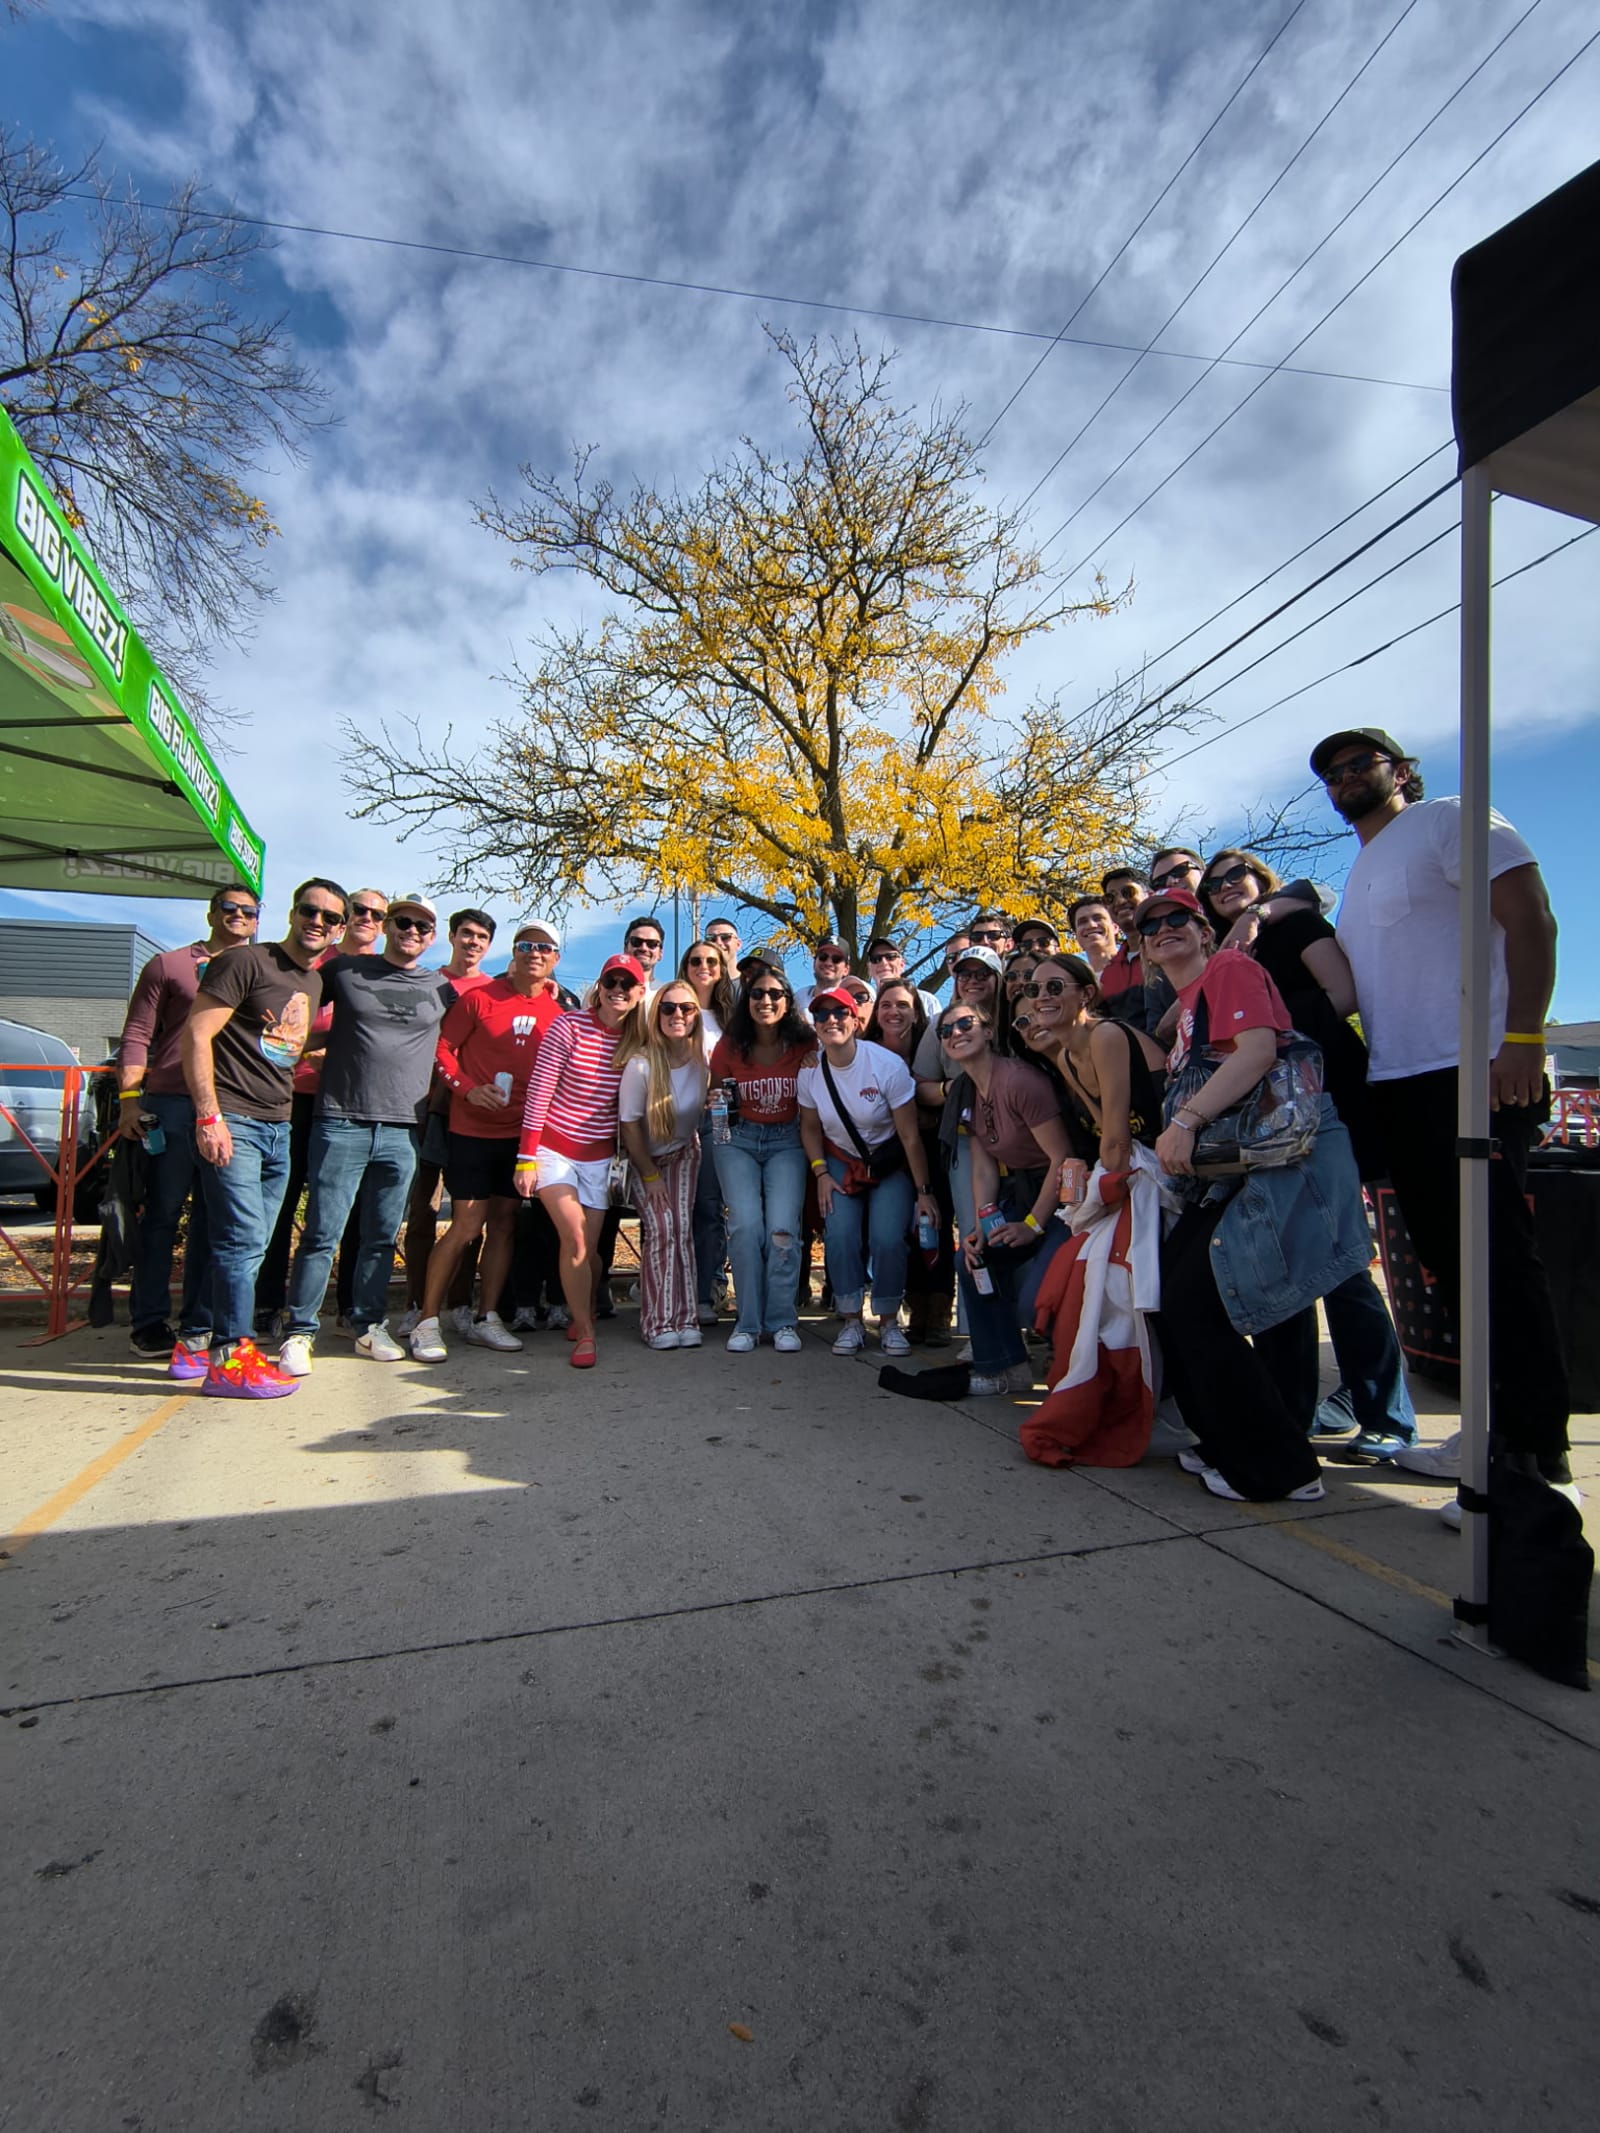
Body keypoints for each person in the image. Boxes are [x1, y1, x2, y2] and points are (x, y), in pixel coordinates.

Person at [1311, 726, 1574, 1509]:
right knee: (1452, 1268)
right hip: (1399, 1082)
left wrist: (1522, 1038)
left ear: (1401, 770)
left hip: (1474, 1069)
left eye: (1359, 762)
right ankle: (1487, 1433)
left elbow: (1531, 917)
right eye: (1332, 772)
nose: (1345, 776)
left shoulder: (1451, 818)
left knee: (1498, 1263)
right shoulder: (1360, 870)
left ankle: (1536, 1462)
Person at [1144, 886, 1371, 1503]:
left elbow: (1259, 1052)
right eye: (1151, 925)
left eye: (1179, 917)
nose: (1164, 928)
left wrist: (1184, 1121)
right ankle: (1228, 1440)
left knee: (1194, 1301)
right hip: (1231, 1170)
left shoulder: (1230, 968)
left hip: (1280, 1161)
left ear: (1204, 931)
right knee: (1175, 1294)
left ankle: (1282, 1468)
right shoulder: (1189, 1004)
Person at [1198, 846, 1417, 1461]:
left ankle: (1386, 1415)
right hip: (1258, 1118)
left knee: (1342, 1262)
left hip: (1322, 1102)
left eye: (1235, 875)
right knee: (1280, 1263)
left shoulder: (1292, 925)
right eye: (1213, 883)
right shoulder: (1223, 956)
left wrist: (1259, 1023)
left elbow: (1344, 995)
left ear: (1259, 879)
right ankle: (1290, 1413)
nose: (1224, 886)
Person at [277, 895, 456, 1373]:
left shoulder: (441, 989)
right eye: (403, 921)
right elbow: (293, 1010)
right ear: (388, 926)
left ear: (432, 937)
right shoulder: (345, 971)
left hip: (403, 1129)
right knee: (322, 1233)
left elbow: (463, 1043)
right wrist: (296, 1046)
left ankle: (368, 1325)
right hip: (341, 1120)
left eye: (422, 926)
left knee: (380, 1237)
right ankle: (300, 1332)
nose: (412, 931)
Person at [182, 877, 345, 1398]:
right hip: (234, 1119)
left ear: (338, 930)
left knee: (248, 1243)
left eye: (330, 918)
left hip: (278, 1123)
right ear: (292, 914)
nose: (317, 922)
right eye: (309, 910)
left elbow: (282, 1040)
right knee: (241, 1239)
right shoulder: (245, 962)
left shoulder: (312, 982)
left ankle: (197, 1341)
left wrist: (349, 1032)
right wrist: (209, 1116)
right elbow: (197, 1034)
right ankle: (231, 1357)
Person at [117, 880, 260, 1367]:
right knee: (162, 1216)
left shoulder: (259, 968)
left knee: (215, 1222)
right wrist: (130, 1100)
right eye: (229, 907)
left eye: (249, 910)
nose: (239, 915)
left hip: (233, 1108)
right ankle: (149, 1321)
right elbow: (138, 1033)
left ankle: (199, 1324)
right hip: (174, 1106)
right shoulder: (170, 965)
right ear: (211, 913)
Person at [409, 920, 565, 1361]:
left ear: (555, 959)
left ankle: (486, 1317)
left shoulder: (558, 1014)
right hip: (472, 1131)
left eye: (544, 948)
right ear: (513, 953)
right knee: (465, 1225)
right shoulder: (479, 998)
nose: (534, 953)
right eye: (526, 945)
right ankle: (426, 1321)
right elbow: (441, 1050)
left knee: (503, 1225)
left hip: (521, 1137)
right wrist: (467, 1089)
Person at [254, 885, 386, 1336]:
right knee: (280, 1203)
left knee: (353, 1213)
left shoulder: (383, 972)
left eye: (378, 914)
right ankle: (267, 1304)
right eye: (359, 910)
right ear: (344, 920)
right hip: (296, 1097)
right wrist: (320, 1048)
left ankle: (350, 1307)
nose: (368, 918)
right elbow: (280, 1030)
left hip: (353, 1104)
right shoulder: (316, 965)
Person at [515, 953, 648, 1368]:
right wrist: (525, 1157)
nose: (618, 991)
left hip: (599, 1159)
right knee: (573, 1236)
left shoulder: (640, 1041)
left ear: (640, 992)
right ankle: (587, 1333)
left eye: (627, 984)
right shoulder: (568, 1025)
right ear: (599, 986)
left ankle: (582, 1306)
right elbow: (539, 1091)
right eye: (611, 982)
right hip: (553, 1149)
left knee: (588, 1251)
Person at [937, 1002, 1074, 1395]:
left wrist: (1032, 1226)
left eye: (966, 1024)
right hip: (1020, 1190)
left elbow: (1062, 1158)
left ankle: (1075, 1373)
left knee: (1036, 1301)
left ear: (988, 1031)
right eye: (946, 1030)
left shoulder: (1018, 1081)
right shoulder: (965, 1091)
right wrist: (983, 1223)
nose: (956, 1033)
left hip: (1066, 1198)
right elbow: (983, 1166)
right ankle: (1003, 1367)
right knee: (972, 1259)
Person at [798, 986, 938, 1358]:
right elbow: (809, 1128)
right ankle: (850, 1320)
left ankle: (889, 1320)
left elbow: (910, 1136)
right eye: (822, 1015)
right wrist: (821, 1173)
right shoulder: (810, 1072)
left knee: (888, 1237)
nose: (831, 1020)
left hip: (888, 1161)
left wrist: (923, 1192)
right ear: (815, 1025)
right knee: (840, 1234)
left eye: (840, 1013)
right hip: (840, 1160)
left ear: (856, 1021)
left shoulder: (886, 1065)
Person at [708, 968, 816, 1353]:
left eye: (774, 994)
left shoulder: (804, 1043)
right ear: (747, 1000)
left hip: (787, 1140)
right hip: (738, 1140)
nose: (765, 1001)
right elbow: (716, 1098)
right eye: (756, 994)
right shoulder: (729, 1045)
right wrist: (715, 1105)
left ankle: (782, 1321)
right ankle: (748, 1323)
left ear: (787, 1001)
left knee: (783, 1230)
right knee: (745, 1227)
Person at [400, 908, 498, 1330]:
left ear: (489, 946)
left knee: (470, 1214)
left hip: (471, 1116)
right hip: (424, 1107)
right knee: (422, 1210)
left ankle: (459, 1302)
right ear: (452, 936)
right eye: (466, 934)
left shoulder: (492, 991)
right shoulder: (428, 983)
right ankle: (416, 1302)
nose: (472, 942)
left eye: (481, 937)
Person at [617, 982, 710, 1349]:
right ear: (656, 1015)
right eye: (668, 1008)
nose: (677, 1015)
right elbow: (629, 1126)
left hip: (684, 1153)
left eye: (686, 1008)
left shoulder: (704, 1060)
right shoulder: (641, 1064)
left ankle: (685, 1318)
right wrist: (650, 1176)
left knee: (681, 1229)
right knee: (661, 1228)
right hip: (644, 1159)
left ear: (696, 1015)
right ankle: (657, 1322)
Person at [867, 977, 952, 1345]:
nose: (894, 1012)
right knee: (898, 1232)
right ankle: (910, 1305)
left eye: (903, 1005)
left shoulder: (931, 1048)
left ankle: (936, 1312)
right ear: (876, 1013)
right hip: (884, 1155)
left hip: (931, 1150)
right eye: (886, 1005)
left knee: (934, 1226)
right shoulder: (864, 1051)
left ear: (917, 1013)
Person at [678, 938, 736, 1322]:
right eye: (696, 960)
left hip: (719, 1120)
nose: (704, 967)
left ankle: (705, 1293)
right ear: (685, 967)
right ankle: (670, 1291)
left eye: (712, 961)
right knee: (675, 1208)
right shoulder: (671, 1007)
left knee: (710, 1206)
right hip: (675, 1118)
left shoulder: (731, 1018)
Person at [1098, 868, 1175, 1035]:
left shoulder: (1171, 949)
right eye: (1110, 898)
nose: (1119, 901)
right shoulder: (1108, 974)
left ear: (1150, 895)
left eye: (1128, 892)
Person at [865, 937, 941, 1017]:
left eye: (890, 957)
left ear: (902, 964)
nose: (883, 962)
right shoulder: (863, 1004)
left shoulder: (927, 1001)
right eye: (876, 959)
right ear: (869, 969)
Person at [794, 937, 854, 1014]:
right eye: (823, 957)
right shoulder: (797, 1000)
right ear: (814, 963)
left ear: (846, 970)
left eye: (836, 959)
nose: (828, 963)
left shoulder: (853, 1004)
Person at [1068, 896, 1119, 981]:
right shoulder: (1075, 982)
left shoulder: (1137, 966)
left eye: (1098, 918)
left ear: (1115, 927)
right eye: (1082, 922)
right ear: (1076, 934)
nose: (1091, 925)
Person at [622, 915, 666, 992]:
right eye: (636, 942)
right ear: (625, 949)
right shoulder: (606, 989)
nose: (644, 948)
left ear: (660, 953)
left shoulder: (665, 994)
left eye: (652, 944)